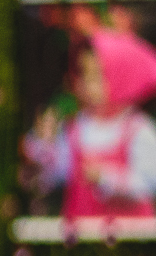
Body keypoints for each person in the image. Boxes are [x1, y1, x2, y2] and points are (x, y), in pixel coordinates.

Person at [23, 25, 156, 224]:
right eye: (83, 74)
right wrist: (43, 144)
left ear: (124, 78)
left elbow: (149, 182)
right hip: (83, 239)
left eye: (97, 76)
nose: (87, 85)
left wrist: (107, 178)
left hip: (128, 239)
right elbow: (57, 173)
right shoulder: (76, 127)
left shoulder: (137, 130)